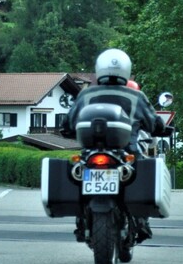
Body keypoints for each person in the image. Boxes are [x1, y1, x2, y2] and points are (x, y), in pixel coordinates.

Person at [59, 48, 169, 242]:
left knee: (78, 174)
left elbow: (67, 124)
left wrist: (68, 130)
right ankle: (141, 222)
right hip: (128, 151)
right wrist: (160, 128)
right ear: (126, 70)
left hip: (90, 153)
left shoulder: (86, 95)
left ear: (99, 69)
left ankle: (80, 221)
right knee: (142, 174)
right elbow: (153, 123)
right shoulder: (136, 96)